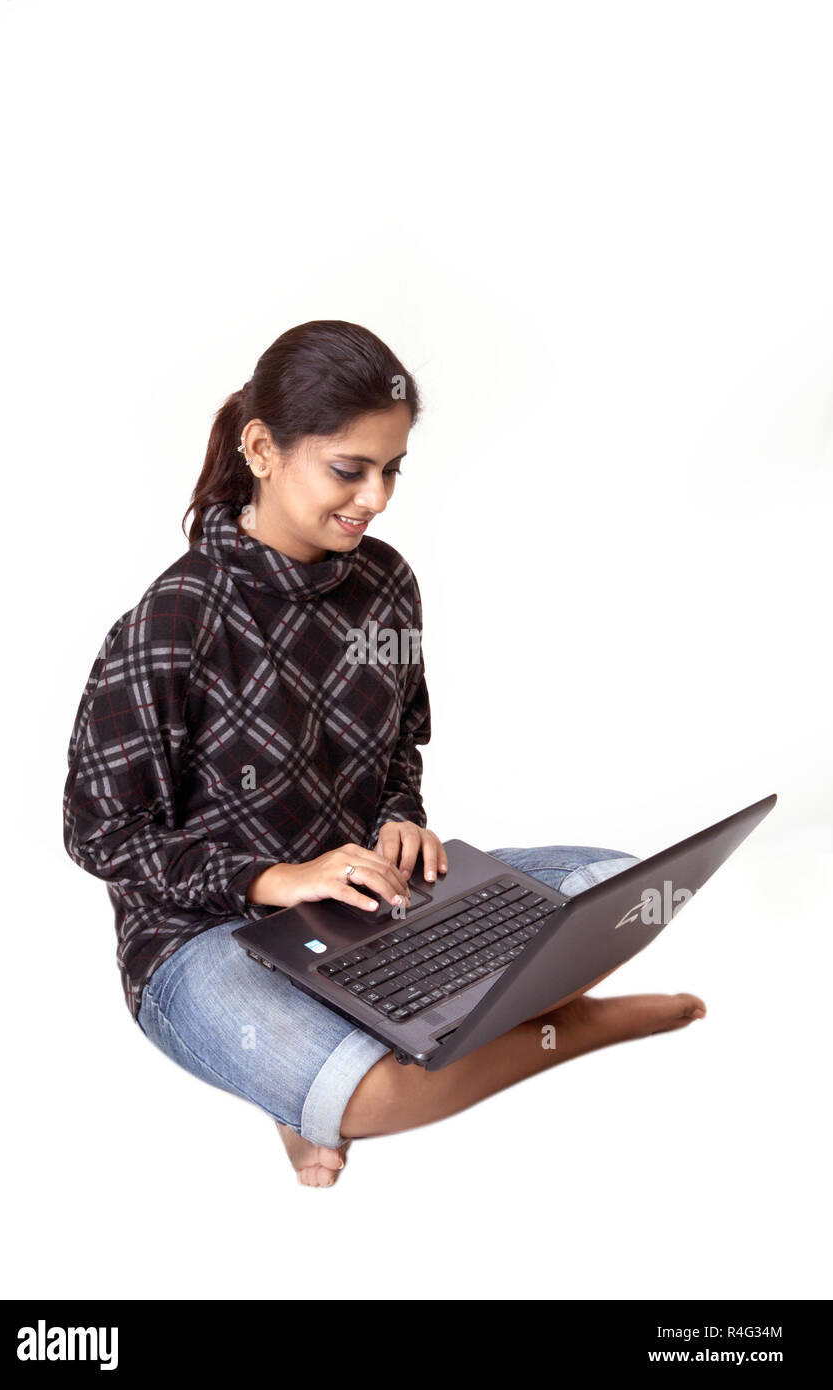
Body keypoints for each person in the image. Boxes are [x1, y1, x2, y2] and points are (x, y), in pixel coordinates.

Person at [63, 319, 705, 1186]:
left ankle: (352, 1044)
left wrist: (401, 816)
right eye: (348, 469)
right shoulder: (175, 619)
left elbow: (401, 738)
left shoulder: (386, 583)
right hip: (203, 936)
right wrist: (272, 878)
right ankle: (571, 1028)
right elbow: (99, 833)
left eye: (392, 468)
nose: (376, 498)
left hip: (370, 903)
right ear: (261, 448)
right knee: (371, 1095)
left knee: (624, 890)